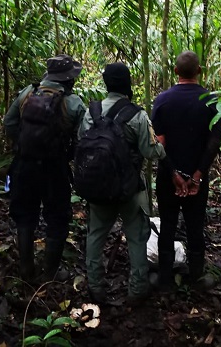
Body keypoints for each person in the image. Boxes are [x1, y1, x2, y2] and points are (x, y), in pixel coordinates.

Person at [79, 63, 166, 305]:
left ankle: (95, 287)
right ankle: (137, 289)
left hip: (98, 187)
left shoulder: (91, 112)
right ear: (128, 83)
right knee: (137, 237)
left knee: (95, 235)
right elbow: (151, 152)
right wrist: (161, 146)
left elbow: (81, 142)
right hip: (129, 190)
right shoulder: (136, 115)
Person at [4, 54, 86, 282]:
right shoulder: (73, 103)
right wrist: (68, 155)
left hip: (24, 164)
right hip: (54, 167)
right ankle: (50, 272)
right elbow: (83, 139)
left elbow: (9, 123)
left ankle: (26, 269)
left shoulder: (26, 94)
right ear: (68, 79)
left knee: (25, 215)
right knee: (58, 217)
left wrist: (22, 145)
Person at [151, 51, 221, 291]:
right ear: (199, 71)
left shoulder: (162, 100)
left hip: (167, 177)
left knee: (168, 225)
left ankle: (164, 281)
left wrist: (173, 175)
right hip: (196, 180)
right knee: (195, 225)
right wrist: (196, 177)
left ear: (175, 72)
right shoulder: (211, 102)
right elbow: (214, 142)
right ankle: (196, 278)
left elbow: (159, 143)